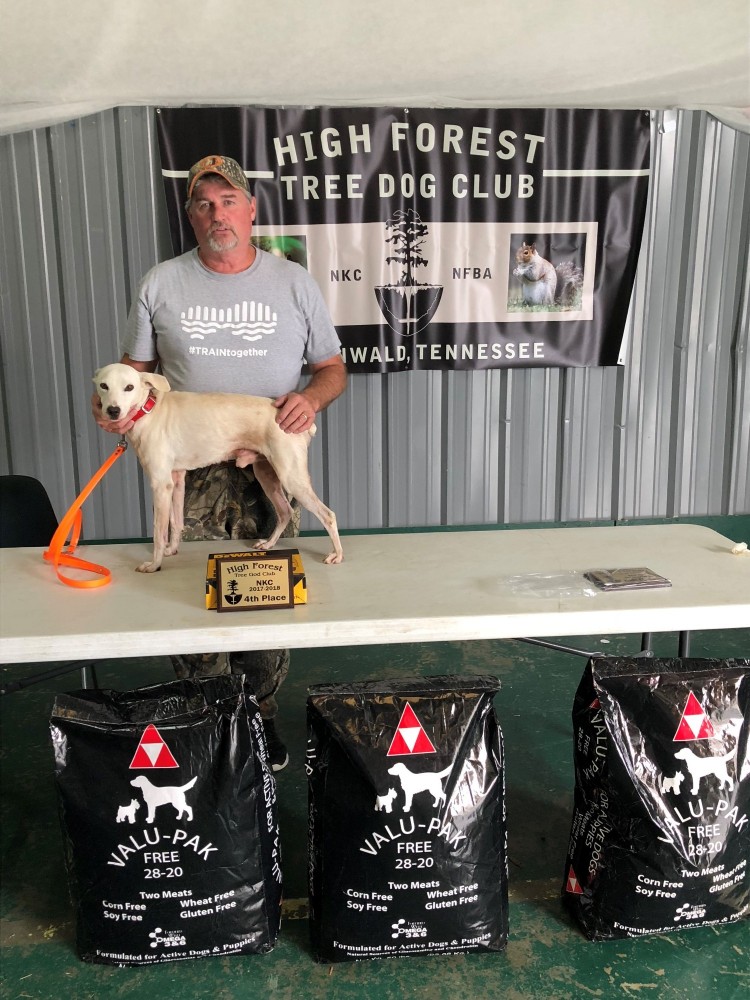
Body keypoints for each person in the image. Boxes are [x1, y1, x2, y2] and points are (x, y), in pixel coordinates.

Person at [93, 154, 347, 771]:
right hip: (192, 465)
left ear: (252, 209)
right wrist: (117, 409)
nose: (217, 214)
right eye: (204, 203)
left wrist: (308, 402)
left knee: (265, 607)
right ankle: (204, 721)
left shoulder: (293, 282)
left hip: (263, 438)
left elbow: (332, 370)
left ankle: (260, 721)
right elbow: (135, 376)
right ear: (190, 215)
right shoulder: (161, 282)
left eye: (228, 200)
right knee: (191, 605)